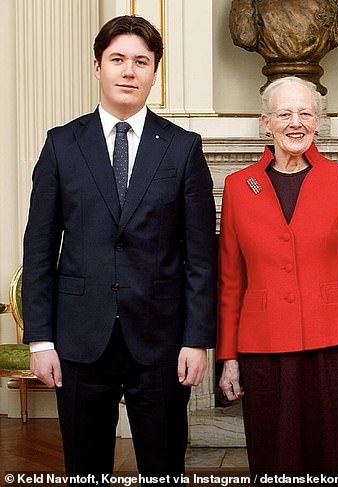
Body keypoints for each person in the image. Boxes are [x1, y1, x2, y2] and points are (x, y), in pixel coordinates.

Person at [22, 15, 216, 481]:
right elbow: (40, 248)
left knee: (163, 467)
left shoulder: (183, 147)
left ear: (154, 72)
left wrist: (196, 339)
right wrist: (41, 339)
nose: (129, 71)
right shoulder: (62, 144)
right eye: (118, 60)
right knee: (84, 469)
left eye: (141, 62)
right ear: (97, 67)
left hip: (162, 340)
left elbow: (201, 256)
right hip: (78, 338)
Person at [217, 76, 338, 483]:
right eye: (285, 114)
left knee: (336, 455)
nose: (296, 123)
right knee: (275, 456)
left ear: (318, 122)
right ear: (265, 122)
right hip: (263, 346)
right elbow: (230, 281)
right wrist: (228, 358)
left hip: (336, 346)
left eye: (306, 113)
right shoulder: (239, 187)